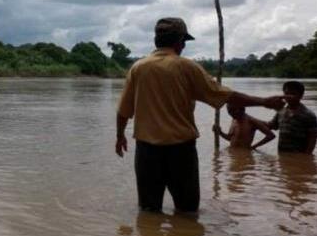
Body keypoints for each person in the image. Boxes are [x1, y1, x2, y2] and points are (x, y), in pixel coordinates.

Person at [115, 17, 285, 213]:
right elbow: (226, 96)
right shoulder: (187, 67)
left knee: (148, 212)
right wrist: (263, 102)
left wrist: (120, 136)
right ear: (180, 42)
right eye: (183, 42)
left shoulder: (138, 68)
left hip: (147, 152)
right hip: (180, 151)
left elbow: (123, 111)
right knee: (187, 212)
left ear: (157, 40)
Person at [267, 81, 317, 154]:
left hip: (299, 155)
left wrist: (306, 157)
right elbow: (272, 126)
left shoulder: (308, 115)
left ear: (301, 95)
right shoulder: (281, 111)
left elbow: (313, 138)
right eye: (286, 93)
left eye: (293, 94)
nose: (288, 96)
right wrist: (252, 120)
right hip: (282, 153)